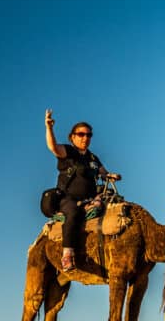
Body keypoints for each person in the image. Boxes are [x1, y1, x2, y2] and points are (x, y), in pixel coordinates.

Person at [45, 110, 120, 271]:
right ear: (72, 137)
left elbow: (104, 173)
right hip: (67, 199)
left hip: (91, 198)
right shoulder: (68, 152)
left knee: (115, 205)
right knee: (74, 213)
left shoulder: (93, 158)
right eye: (81, 134)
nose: (85, 138)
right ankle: (67, 255)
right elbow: (53, 147)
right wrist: (49, 128)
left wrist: (111, 175)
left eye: (89, 135)